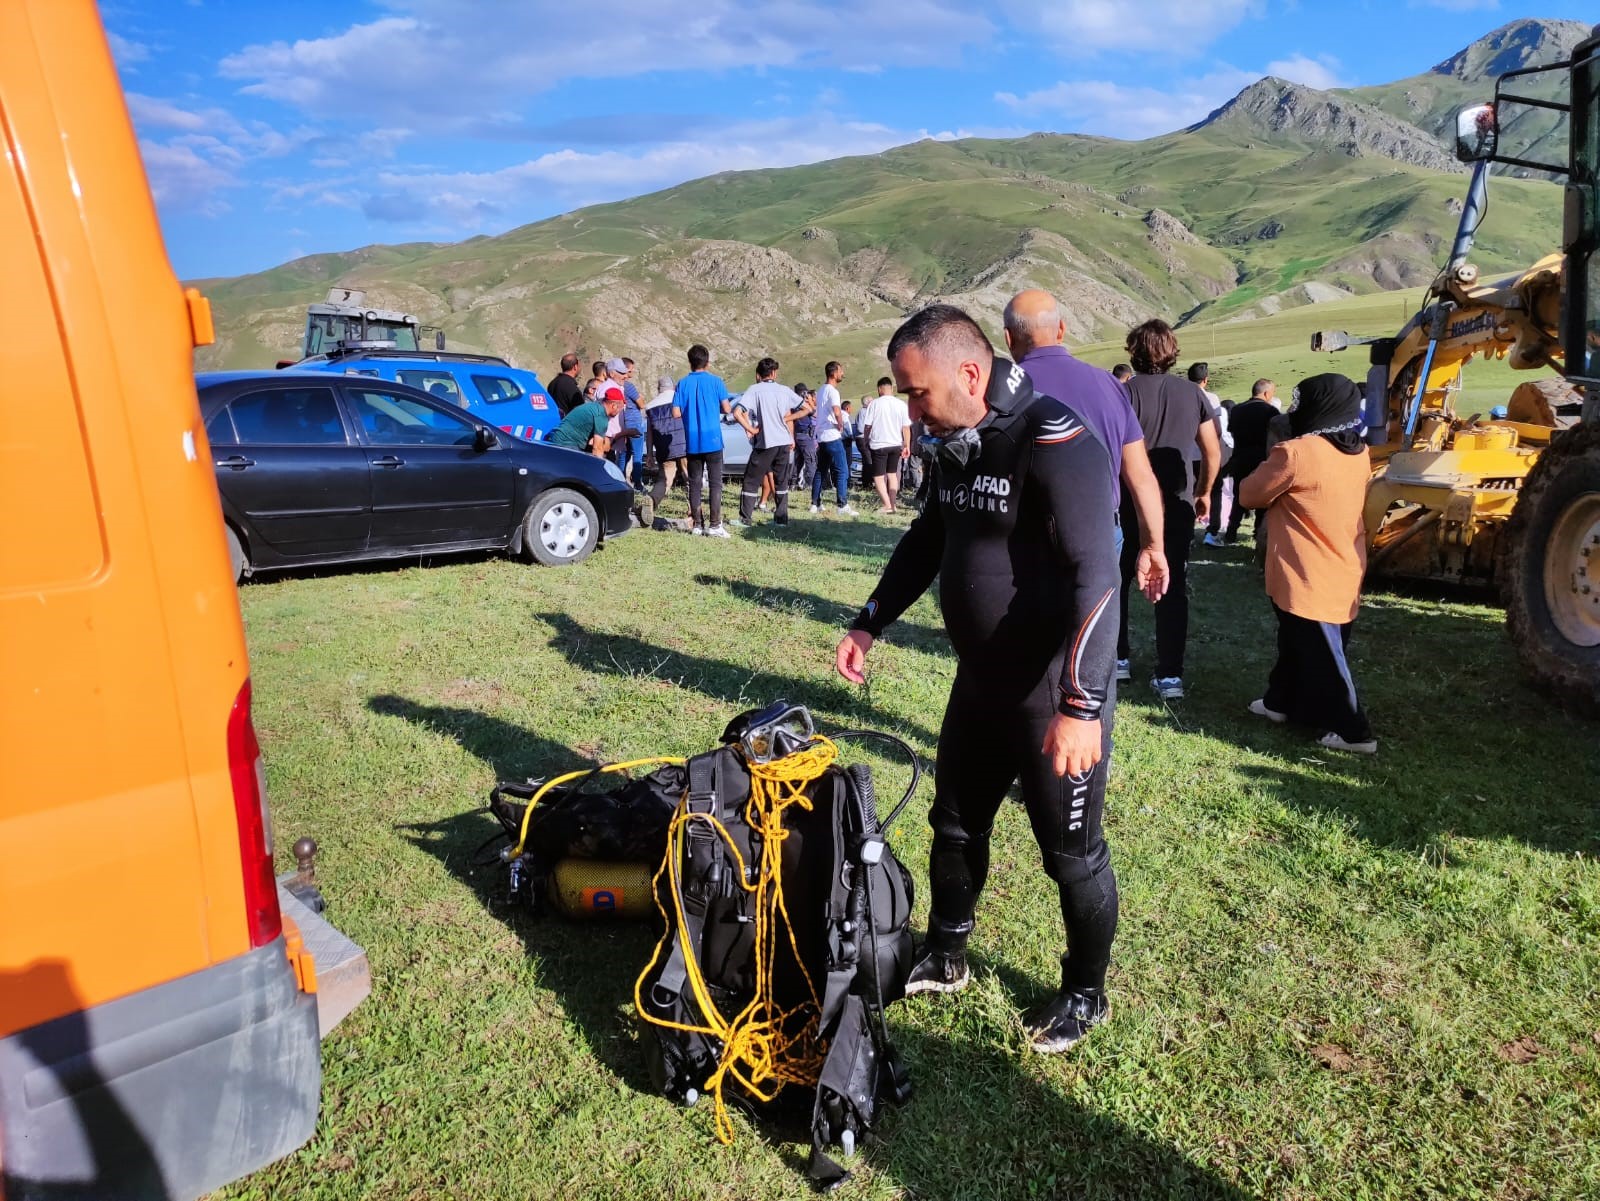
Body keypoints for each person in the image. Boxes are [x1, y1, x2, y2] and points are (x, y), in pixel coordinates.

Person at [834, 304, 1125, 1054]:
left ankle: (1086, 992)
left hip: (1051, 692)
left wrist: (1081, 705)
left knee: (1071, 853)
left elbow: (1098, 574)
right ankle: (947, 950)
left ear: (969, 372)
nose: (913, 411)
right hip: (981, 682)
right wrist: (871, 618)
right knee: (955, 824)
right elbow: (930, 534)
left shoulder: (1052, 436)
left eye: (918, 392)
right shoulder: (957, 438)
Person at [1002, 289, 1170, 619]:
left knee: (1026, 638)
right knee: (1092, 636)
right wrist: (1153, 546)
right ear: (1061, 330)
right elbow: (1141, 477)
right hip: (1101, 532)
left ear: (1008, 338)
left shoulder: (1004, 389)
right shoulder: (1109, 385)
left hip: (1025, 535)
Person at [1238, 374, 1377, 754]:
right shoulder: (1359, 452)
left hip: (1305, 570)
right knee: (1298, 641)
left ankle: (1354, 731)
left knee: (1322, 654)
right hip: (1344, 563)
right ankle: (1280, 702)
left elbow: (1250, 495)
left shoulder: (1296, 453)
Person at [1118, 319, 1221, 701]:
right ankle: (1169, 674)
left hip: (1127, 500)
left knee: (1118, 580)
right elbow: (1212, 452)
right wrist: (1205, 490)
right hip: (1176, 503)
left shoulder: (1122, 393)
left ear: (1133, 350)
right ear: (1173, 353)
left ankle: (1118, 659)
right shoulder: (1193, 395)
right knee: (1172, 582)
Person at [733, 357, 809, 526]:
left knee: (751, 479)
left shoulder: (755, 390)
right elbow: (807, 409)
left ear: (758, 374)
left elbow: (737, 412)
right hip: (783, 441)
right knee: (781, 480)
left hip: (766, 441)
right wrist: (788, 417)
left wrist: (751, 429)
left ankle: (745, 518)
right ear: (774, 373)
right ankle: (781, 520)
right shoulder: (784, 390)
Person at [674, 343, 734, 538]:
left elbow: (675, 412)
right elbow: (726, 409)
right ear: (707, 362)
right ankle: (715, 524)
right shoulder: (716, 382)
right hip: (713, 440)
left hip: (692, 440)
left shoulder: (682, 384)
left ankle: (698, 524)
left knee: (695, 483)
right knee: (716, 483)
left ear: (690, 362)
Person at [1214, 378, 1278, 545]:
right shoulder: (1270, 411)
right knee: (1262, 497)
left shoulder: (1237, 410)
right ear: (1266, 393)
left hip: (1240, 457)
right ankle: (1258, 532)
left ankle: (1231, 532)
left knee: (1238, 496)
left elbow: (1232, 432)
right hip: (1262, 459)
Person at [1188, 363, 1233, 545]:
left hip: (1187, 454)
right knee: (1214, 492)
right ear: (1205, 380)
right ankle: (1212, 532)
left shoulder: (1181, 397)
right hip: (1207, 453)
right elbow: (1218, 429)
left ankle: (1188, 534)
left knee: (1188, 493)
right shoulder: (1212, 398)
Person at [643, 373, 687, 530]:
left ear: (658, 389)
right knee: (690, 478)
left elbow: (649, 433)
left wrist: (649, 453)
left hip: (663, 448)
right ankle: (693, 512)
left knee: (665, 479)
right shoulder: (680, 398)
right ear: (673, 387)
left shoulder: (650, 406)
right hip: (684, 445)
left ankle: (652, 499)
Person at [861, 377, 912, 514]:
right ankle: (893, 504)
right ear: (892, 388)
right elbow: (906, 427)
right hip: (895, 444)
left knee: (878, 476)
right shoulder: (901, 404)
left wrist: (866, 439)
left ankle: (886, 504)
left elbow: (867, 426)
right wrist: (907, 445)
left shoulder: (875, 404)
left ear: (879, 389)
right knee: (892, 474)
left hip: (879, 444)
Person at [810, 362, 855, 514]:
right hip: (832, 435)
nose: (843, 374)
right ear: (834, 373)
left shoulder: (821, 390)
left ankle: (815, 503)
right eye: (841, 371)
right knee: (842, 470)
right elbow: (837, 410)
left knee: (821, 470)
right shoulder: (833, 391)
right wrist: (840, 424)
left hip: (821, 436)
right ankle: (842, 505)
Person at [547, 382, 624, 455]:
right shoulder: (601, 415)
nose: (620, 412)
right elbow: (597, 448)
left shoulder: (595, 407)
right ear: (614, 405)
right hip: (566, 444)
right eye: (620, 408)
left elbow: (595, 443)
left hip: (557, 439)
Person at [791, 383, 818, 492]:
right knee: (811, 460)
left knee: (798, 461)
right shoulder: (802, 404)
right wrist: (810, 401)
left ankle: (793, 482)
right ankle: (810, 484)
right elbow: (814, 413)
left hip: (797, 435)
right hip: (805, 436)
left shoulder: (792, 404)